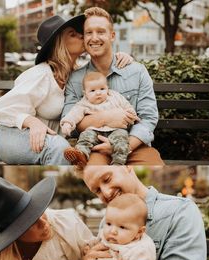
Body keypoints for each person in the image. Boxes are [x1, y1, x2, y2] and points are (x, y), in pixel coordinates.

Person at [0, 14, 132, 165]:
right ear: (59, 43)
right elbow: (2, 108)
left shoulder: (76, 76)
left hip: (47, 139)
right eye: (73, 34)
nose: (82, 36)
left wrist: (120, 58)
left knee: (65, 148)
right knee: (60, 148)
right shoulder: (41, 74)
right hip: (13, 135)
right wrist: (32, 122)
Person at [64, 165, 206, 260]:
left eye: (107, 179)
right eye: (97, 190)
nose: (106, 192)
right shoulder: (108, 220)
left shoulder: (180, 212)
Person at [62, 7, 164, 165]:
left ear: (112, 36)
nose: (94, 38)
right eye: (89, 32)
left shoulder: (137, 71)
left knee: (153, 166)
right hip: (94, 148)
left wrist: (122, 146)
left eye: (101, 32)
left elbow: (148, 118)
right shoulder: (75, 79)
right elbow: (71, 125)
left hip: (134, 146)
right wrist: (105, 118)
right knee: (92, 171)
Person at [61, 71, 139, 166]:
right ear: (85, 93)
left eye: (102, 89)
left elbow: (127, 106)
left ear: (107, 89)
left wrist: (132, 114)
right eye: (92, 91)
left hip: (116, 130)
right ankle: (81, 155)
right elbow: (74, 113)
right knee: (85, 137)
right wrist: (67, 123)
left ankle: (118, 162)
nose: (98, 93)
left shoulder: (115, 96)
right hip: (95, 130)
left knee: (121, 141)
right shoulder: (84, 103)